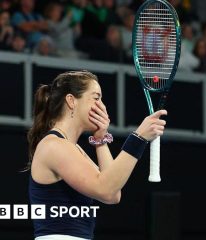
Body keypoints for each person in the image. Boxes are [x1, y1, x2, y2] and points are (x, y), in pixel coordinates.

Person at [27, 70, 167, 240]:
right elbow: (106, 190)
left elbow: (113, 193)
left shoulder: (72, 148)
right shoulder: (54, 145)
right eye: (96, 98)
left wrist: (100, 140)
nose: (102, 106)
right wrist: (138, 138)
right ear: (71, 101)